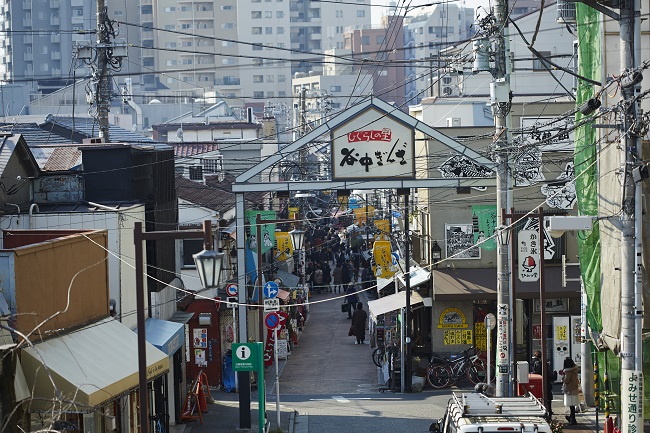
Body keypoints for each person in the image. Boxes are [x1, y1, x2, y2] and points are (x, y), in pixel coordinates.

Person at [531, 350, 553, 416]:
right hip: (546, 382)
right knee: (548, 397)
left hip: (537, 382)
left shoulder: (533, 362)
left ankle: (545, 410)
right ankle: (549, 411)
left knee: (537, 397)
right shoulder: (543, 363)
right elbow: (549, 375)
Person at [561, 357, 579, 425]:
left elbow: (566, 380)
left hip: (570, 390)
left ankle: (573, 419)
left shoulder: (568, 371)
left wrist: (563, 377)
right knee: (573, 405)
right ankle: (571, 417)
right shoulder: (574, 369)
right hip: (574, 388)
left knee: (571, 405)